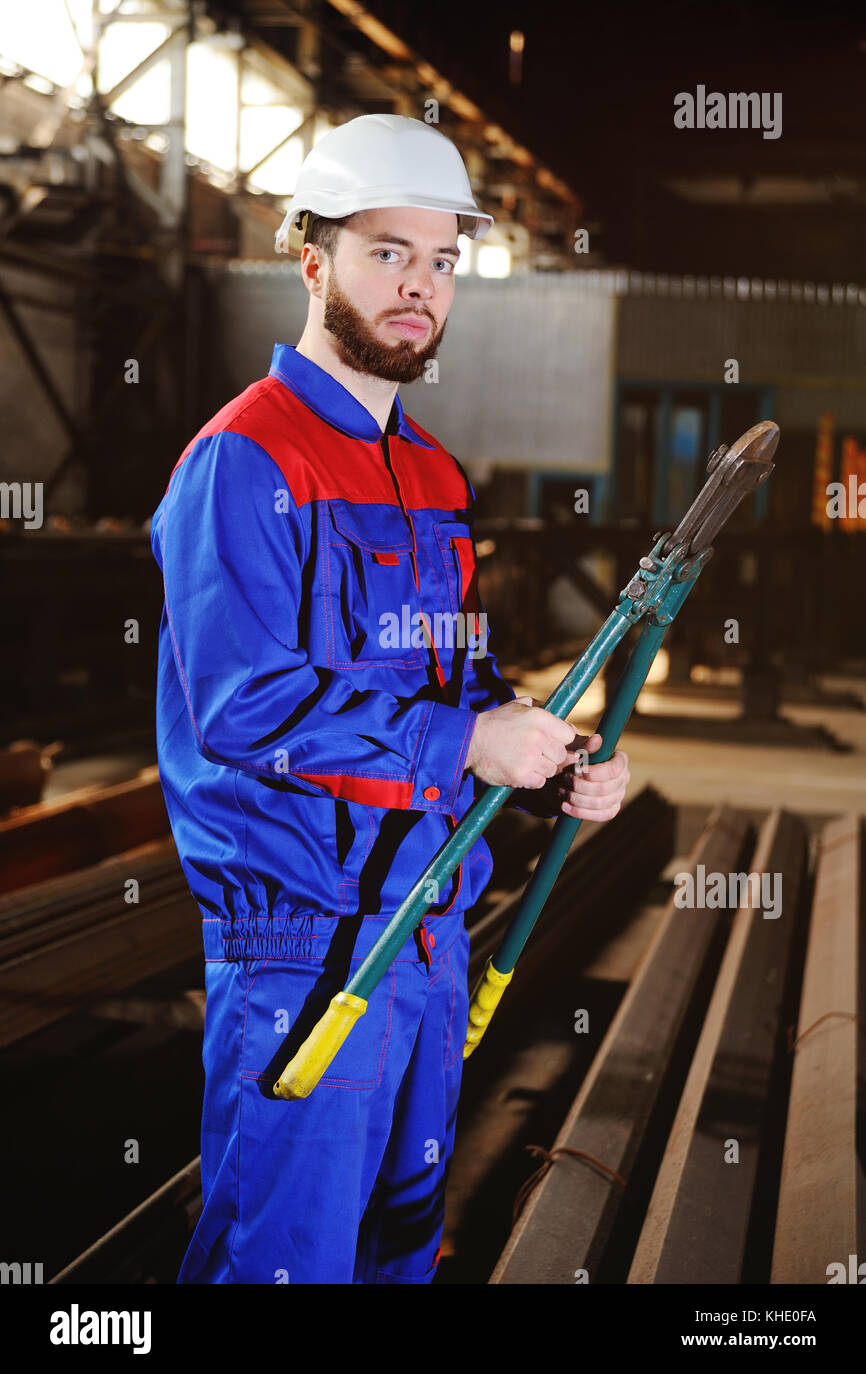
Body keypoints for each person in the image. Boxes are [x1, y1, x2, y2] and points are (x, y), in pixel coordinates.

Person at [150, 113, 629, 1285]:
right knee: (287, 1260)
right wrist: (467, 737)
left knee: (398, 1248)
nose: (421, 286)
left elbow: (451, 683)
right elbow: (245, 704)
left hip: (426, 934)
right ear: (309, 259)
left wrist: (541, 765)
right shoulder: (242, 462)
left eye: (443, 261)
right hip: (300, 943)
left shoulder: (430, 473)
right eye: (387, 252)